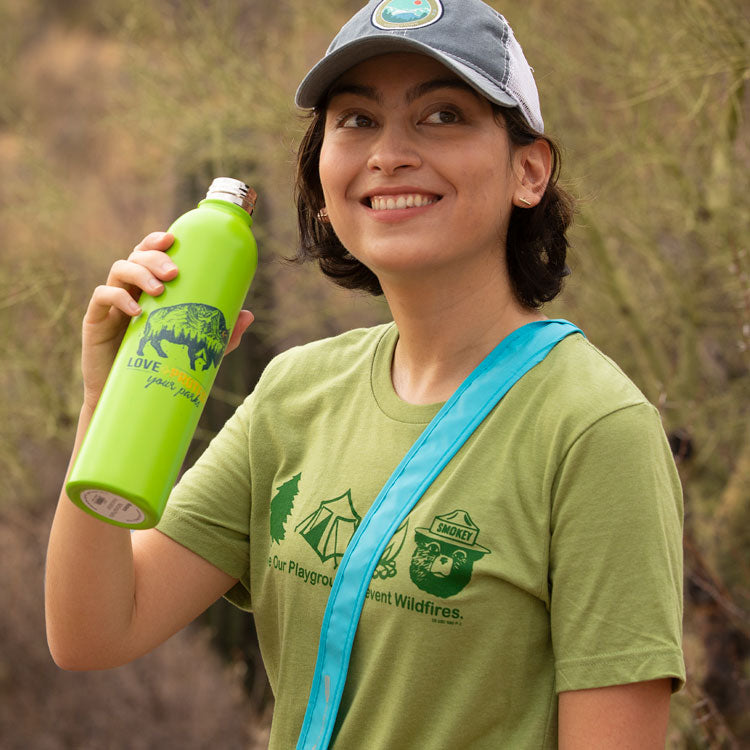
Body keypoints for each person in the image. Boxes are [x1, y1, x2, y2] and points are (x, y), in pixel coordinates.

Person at [46, 1, 685, 747]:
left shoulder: (594, 430)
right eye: (356, 120)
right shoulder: (295, 392)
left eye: (443, 116)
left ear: (529, 171)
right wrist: (110, 395)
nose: (389, 153)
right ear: (322, 174)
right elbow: (92, 633)